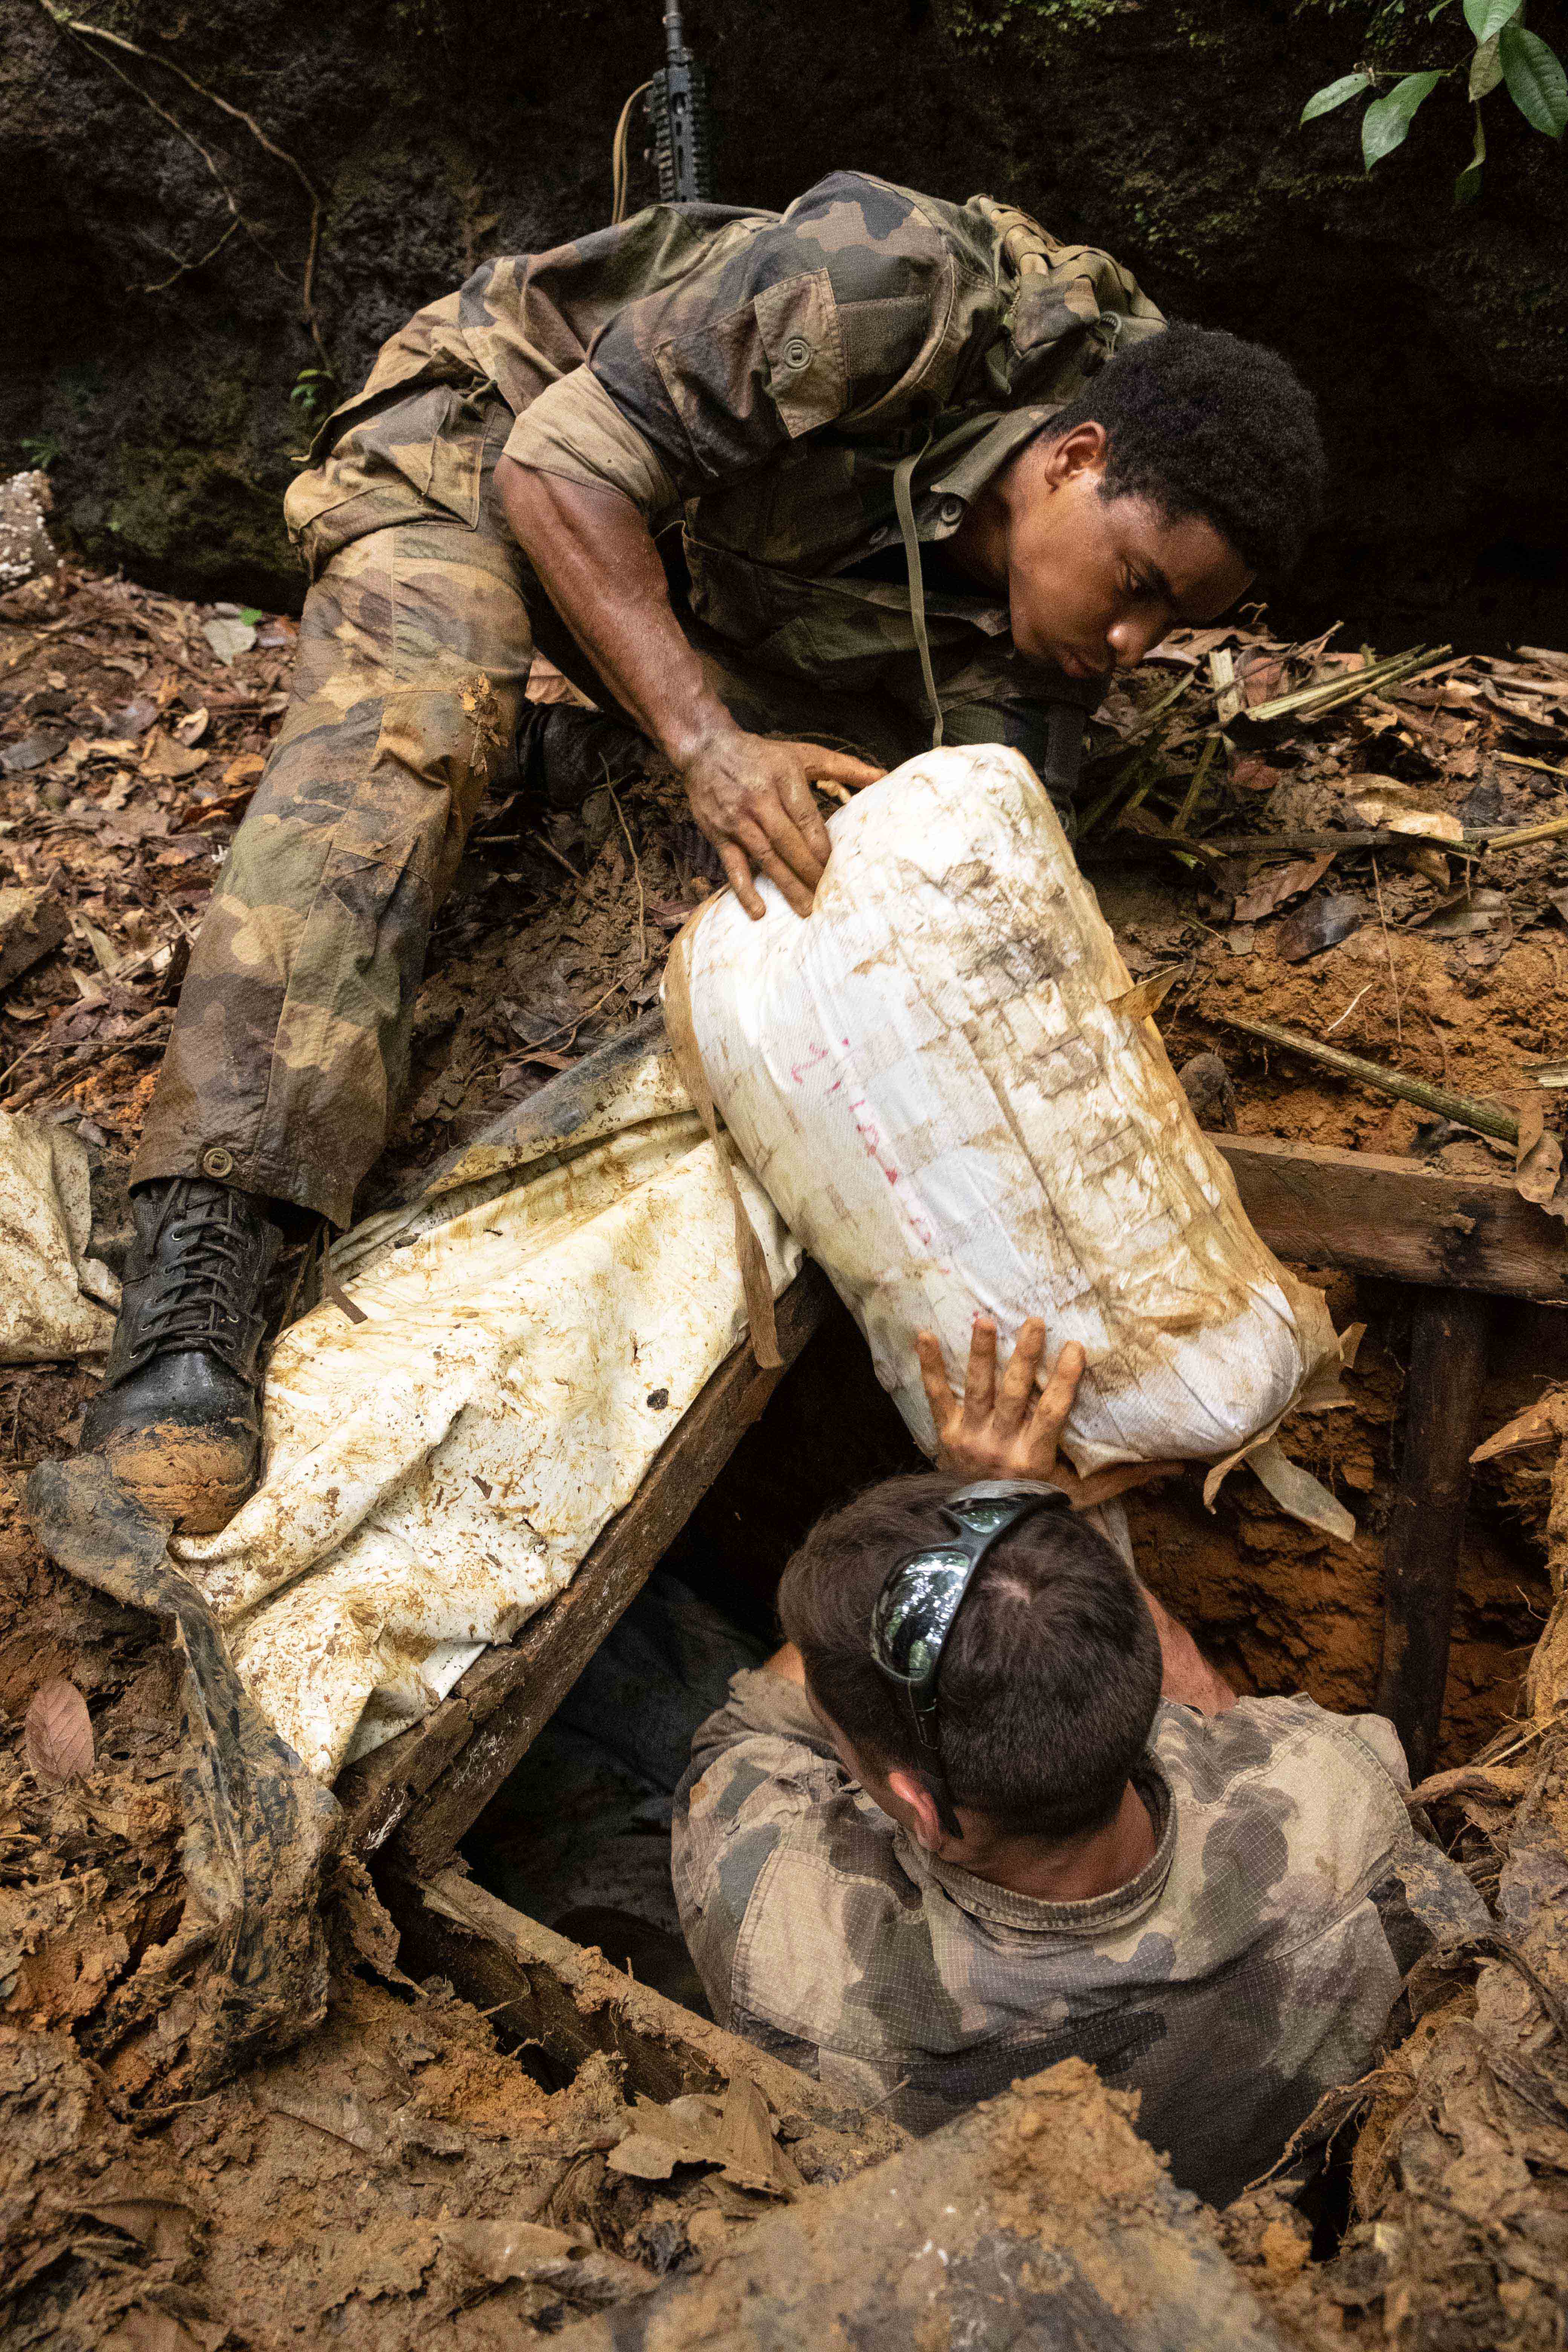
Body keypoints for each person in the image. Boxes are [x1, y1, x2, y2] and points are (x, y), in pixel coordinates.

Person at [82, 170, 1326, 1534]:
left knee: (834, 867)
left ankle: (569, 760)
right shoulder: (894, 286)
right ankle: (205, 1252)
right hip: (500, 441)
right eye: (1138, 588)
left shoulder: (1041, 662)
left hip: (704, 575)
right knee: (418, 723)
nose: (1135, 647)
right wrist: (703, 744)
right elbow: (556, 464)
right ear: (1076, 457)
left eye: (1178, 627)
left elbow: (966, 904)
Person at [671, 1320, 1485, 2208]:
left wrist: (924, 1578)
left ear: (922, 1809)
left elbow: (737, 1738)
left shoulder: (786, 1947)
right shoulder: (1342, 1799)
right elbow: (1213, 1714)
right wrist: (1008, 1522)